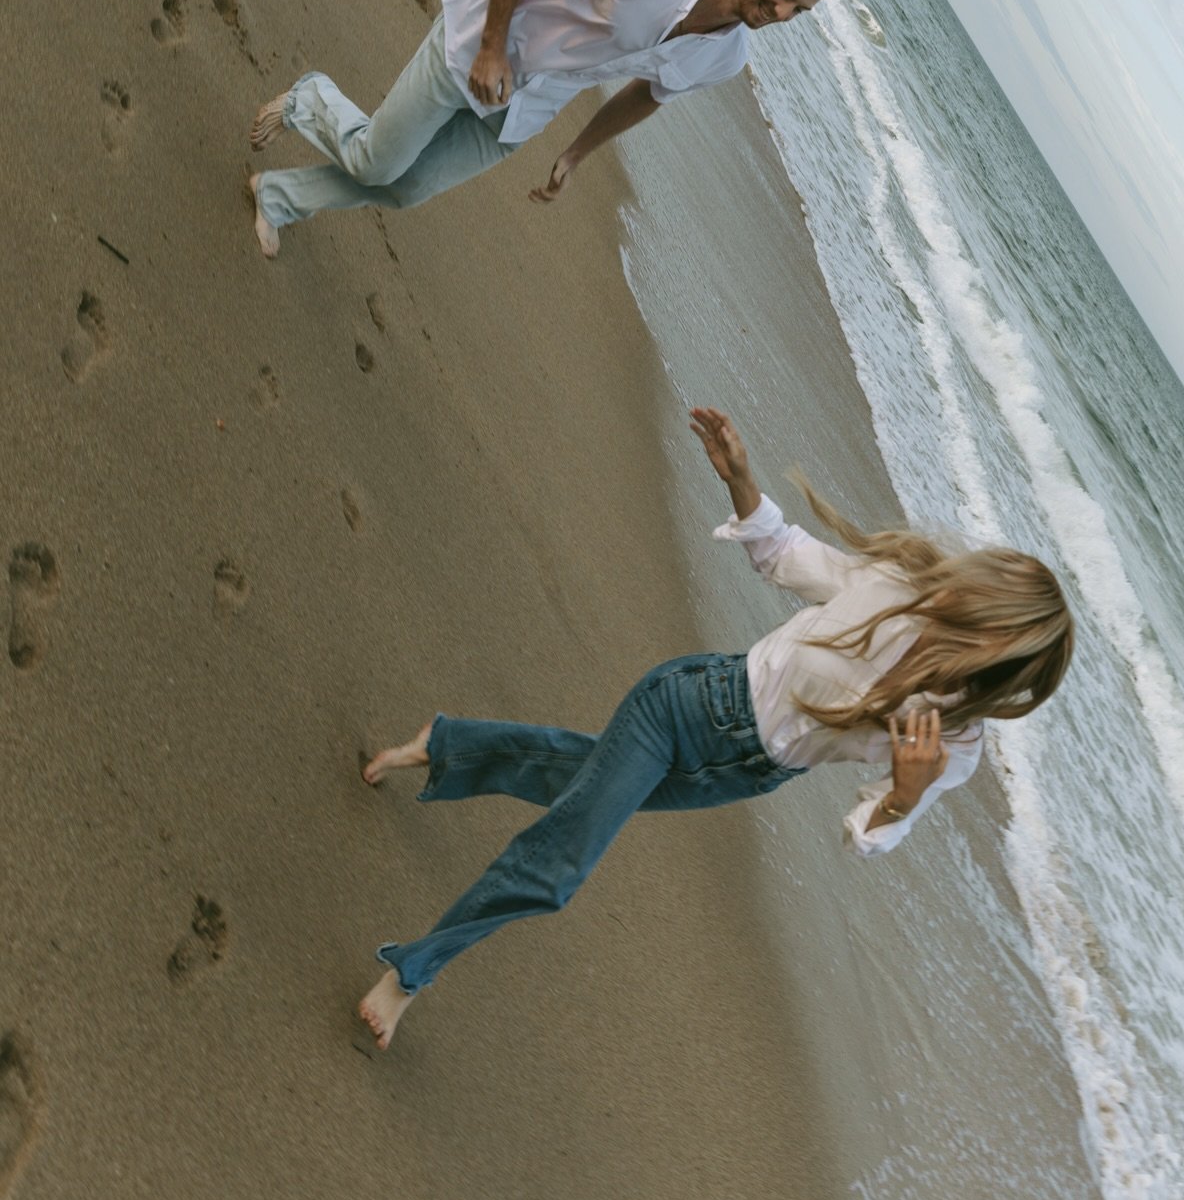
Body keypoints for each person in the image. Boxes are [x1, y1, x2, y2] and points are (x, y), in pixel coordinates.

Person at [355, 407, 1074, 1049]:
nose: (958, 599)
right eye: (974, 591)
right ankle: (409, 973)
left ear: (1005, 656)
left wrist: (904, 798)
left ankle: (444, 747)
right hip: (688, 703)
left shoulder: (954, 743)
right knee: (558, 866)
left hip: (739, 775)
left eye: (981, 613)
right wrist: (741, 478)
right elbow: (785, 553)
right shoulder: (893, 589)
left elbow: (865, 833)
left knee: (569, 780)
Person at [247, 0, 843, 256]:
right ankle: (309, 98)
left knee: (407, 189)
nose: (781, 13)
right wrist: (490, 47)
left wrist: (577, 153)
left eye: (799, 11)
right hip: (475, 48)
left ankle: (278, 197)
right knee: (377, 164)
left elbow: (650, 92)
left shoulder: (727, 55)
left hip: (523, 110)